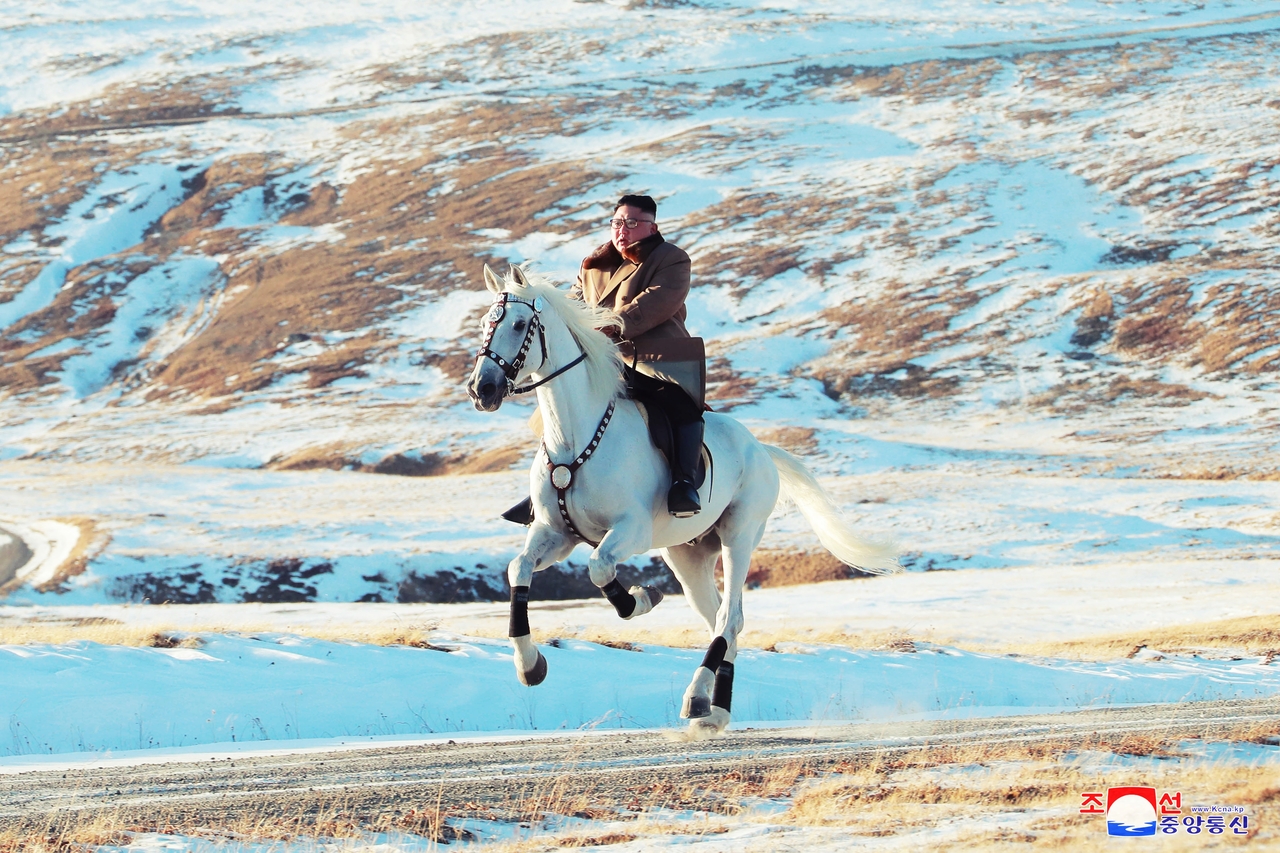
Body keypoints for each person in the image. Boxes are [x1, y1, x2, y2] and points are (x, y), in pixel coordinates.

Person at [502, 193, 705, 525]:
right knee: (556, 412)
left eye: (631, 223)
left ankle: (684, 483)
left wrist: (609, 326)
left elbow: (655, 303)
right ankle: (548, 489)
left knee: (680, 408)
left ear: (652, 227)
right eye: (616, 222)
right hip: (602, 361)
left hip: (654, 359)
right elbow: (572, 306)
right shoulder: (592, 263)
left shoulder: (671, 259)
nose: (621, 230)